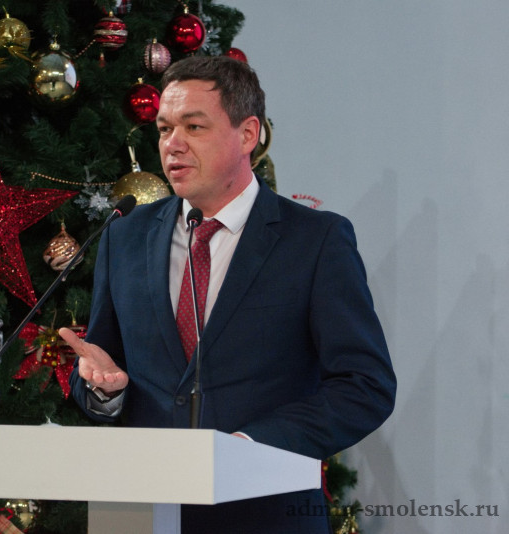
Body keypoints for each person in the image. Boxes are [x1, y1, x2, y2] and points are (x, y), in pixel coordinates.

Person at [60, 55, 396, 533]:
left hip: (266, 513)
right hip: (145, 513)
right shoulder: (125, 235)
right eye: (164, 128)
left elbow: (365, 386)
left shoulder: (315, 241)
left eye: (194, 127)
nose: (172, 144)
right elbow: (104, 362)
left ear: (247, 134)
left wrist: (252, 446)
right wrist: (102, 389)